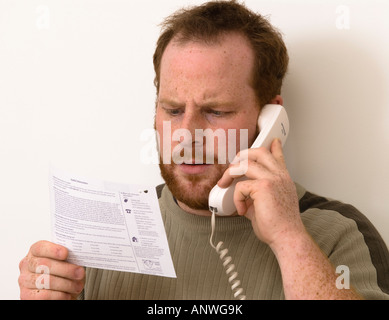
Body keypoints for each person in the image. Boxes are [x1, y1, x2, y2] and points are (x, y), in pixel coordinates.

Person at [18, 0, 389, 300]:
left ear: (271, 119)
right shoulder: (105, 233)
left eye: (216, 112)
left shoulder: (339, 233)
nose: (186, 135)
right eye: (173, 109)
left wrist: (289, 239)